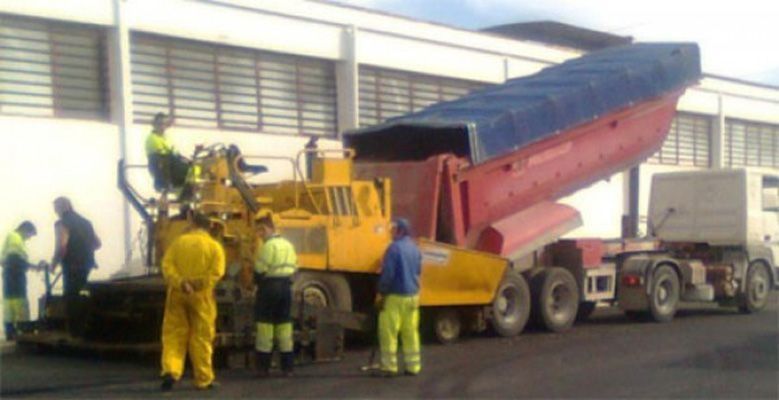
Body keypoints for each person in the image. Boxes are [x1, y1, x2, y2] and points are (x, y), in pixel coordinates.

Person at [159, 212, 225, 391]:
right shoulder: (214, 247)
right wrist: (197, 285)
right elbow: (216, 272)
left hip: (178, 294)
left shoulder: (178, 243)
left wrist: (181, 283)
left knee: (173, 334)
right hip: (201, 296)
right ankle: (204, 379)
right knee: (201, 337)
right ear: (207, 227)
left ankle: (171, 371)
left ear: (193, 224)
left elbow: (167, 266)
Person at [376, 218, 422, 377]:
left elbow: (388, 274)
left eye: (394, 229)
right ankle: (413, 367)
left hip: (395, 297)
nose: (391, 232)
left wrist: (381, 292)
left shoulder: (394, 249)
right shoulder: (415, 249)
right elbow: (418, 272)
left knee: (389, 333)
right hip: (412, 296)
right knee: (410, 333)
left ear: (401, 230)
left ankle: (390, 367)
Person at [50, 197, 101, 336]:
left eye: (56, 208)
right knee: (81, 292)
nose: (56, 212)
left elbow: (61, 246)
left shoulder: (62, 223)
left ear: (62, 207)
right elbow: (97, 243)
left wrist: (53, 264)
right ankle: (85, 327)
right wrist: (84, 249)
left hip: (71, 265)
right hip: (87, 264)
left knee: (71, 296)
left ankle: (75, 331)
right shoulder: (86, 222)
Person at [253, 215, 298, 377]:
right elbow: (295, 267)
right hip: (285, 288)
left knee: (265, 327)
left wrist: (255, 282)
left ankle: (263, 368)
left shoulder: (268, 247)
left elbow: (260, 270)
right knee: (285, 326)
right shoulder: (288, 245)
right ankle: (288, 367)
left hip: (269, 288)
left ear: (266, 229)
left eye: (260, 232)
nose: (259, 235)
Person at [2, 221, 44, 340]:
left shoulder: (11, 238)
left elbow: (6, 260)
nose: (28, 239)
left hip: (9, 275)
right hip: (16, 276)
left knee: (9, 304)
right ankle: (23, 331)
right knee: (19, 303)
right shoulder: (15, 238)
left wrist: (31, 266)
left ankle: (10, 331)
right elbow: (15, 259)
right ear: (25, 230)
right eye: (29, 235)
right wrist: (34, 267)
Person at [146, 112, 189, 191]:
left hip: (169, 164)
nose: (162, 126)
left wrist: (185, 159)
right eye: (159, 124)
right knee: (167, 159)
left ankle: (187, 189)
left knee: (191, 165)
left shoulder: (166, 138)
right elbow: (163, 154)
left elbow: (174, 151)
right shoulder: (152, 138)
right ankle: (164, 185)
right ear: (154, 125)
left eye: (164, 124)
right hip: (160, 166)